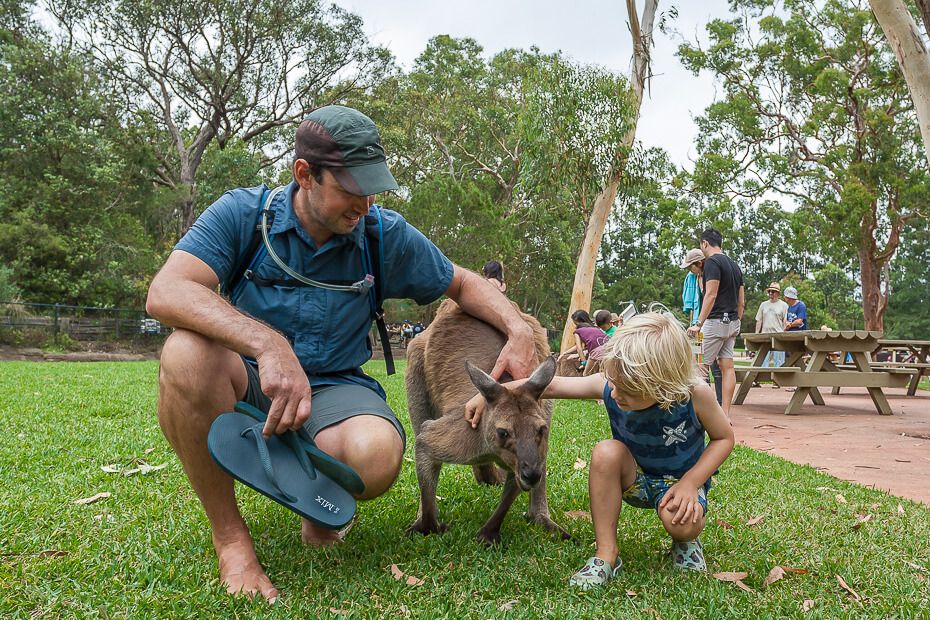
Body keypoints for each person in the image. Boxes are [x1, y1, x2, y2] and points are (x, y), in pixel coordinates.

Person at [145, 105, 537, 601]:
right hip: (248, 378)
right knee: (184, 354)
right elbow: (167, 291)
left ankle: (317, 511)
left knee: (377, 456)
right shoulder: (244, 214)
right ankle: (232, 541)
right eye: (351, 190)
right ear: (304, 175)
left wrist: (517, 327)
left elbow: (461, 282)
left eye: (371, 189)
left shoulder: (379, 233)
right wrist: (268, 343)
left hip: (334, 388)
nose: (365, 204)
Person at [464, 313, 734, 587]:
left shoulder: (695, 395)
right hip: (635, 478)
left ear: (661, 387)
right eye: (613, 384)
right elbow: (552, 384)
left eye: (627, 391)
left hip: (680, 485)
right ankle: (606, 553)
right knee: (606, 451)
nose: (614, 395)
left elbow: (724, 438)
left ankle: (685, 543)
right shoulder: (610, 386)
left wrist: (691, 483)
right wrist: (488, 395)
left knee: (681, 524)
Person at [686, 229, 744, 418]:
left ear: (704, 244)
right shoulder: (735, 265)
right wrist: (738, 319)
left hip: (714, 322)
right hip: (733, 323)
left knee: (698, 366)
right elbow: (741, 300)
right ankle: (725, 414)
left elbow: (711, 294)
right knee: (727, 367)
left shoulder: (711, 262)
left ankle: (705, 414)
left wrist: (698, 323)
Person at [680, 248, 723, 406]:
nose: (689, 270)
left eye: (690, 266)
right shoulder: (693, 278)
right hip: (698, 326)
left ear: (699, 263)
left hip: (712, 323)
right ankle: (707, 401)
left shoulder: (712, 276)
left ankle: (719, 401)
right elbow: (693, 306)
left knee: (715, 365)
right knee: (700, 363)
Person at [754, 282, 788, 368]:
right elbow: (759, 320)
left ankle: (779, 380)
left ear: (778, 293)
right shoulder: (763, 305)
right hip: (765, 336)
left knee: (779, 362)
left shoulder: (784, 305)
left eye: (773, 291)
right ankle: (760, 378)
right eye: (769, 291)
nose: (770, 293)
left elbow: (785, 322)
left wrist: (783, 334)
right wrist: (757, 334)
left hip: (778, 336)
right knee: (763, 360)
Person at [571, 309, 609, 376]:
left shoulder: (578, 331)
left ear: (576, 323)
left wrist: (584, 363)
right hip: (609, 347)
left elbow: (579, 349)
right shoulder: (595, 328)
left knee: (586, 375)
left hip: (597, 351)